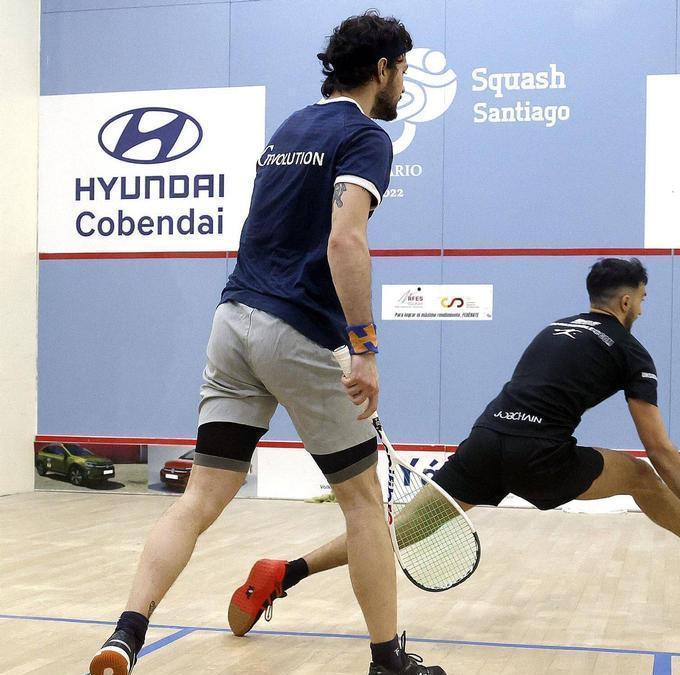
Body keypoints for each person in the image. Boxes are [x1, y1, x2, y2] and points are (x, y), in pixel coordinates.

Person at [89, 11, 444, 675]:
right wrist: (363, 347)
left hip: (233, 323)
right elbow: (345, 241)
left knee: (200, 497)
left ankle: (125, 633)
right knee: (365, 504)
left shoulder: (290, 128)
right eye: (403, 70)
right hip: (299, 333)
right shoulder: (366, 137)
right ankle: (387, 662)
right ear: (381, 70)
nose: (404, 84)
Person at [226, 258, 680, 639]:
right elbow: (658, 447)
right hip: (537, 456)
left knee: (395, 534)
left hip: (487, 439)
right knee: (638, 474)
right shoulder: (630, 350)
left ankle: (284, 572)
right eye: (642, 297)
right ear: (626, 301)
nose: (643, 305)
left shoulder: (555, 329)